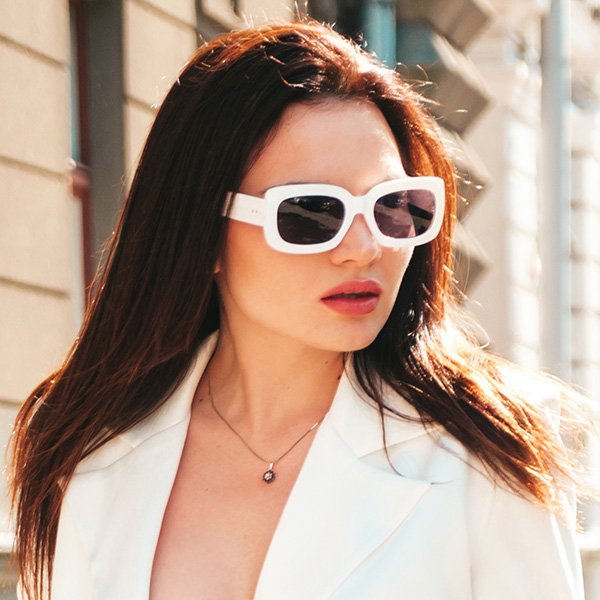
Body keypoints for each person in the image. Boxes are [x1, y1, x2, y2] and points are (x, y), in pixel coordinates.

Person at [10, 18, 590, 600]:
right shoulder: (93, 447)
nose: (365, 247)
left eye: (393, 206)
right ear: (202, 233)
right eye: (312, 214)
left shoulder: (488, 451)